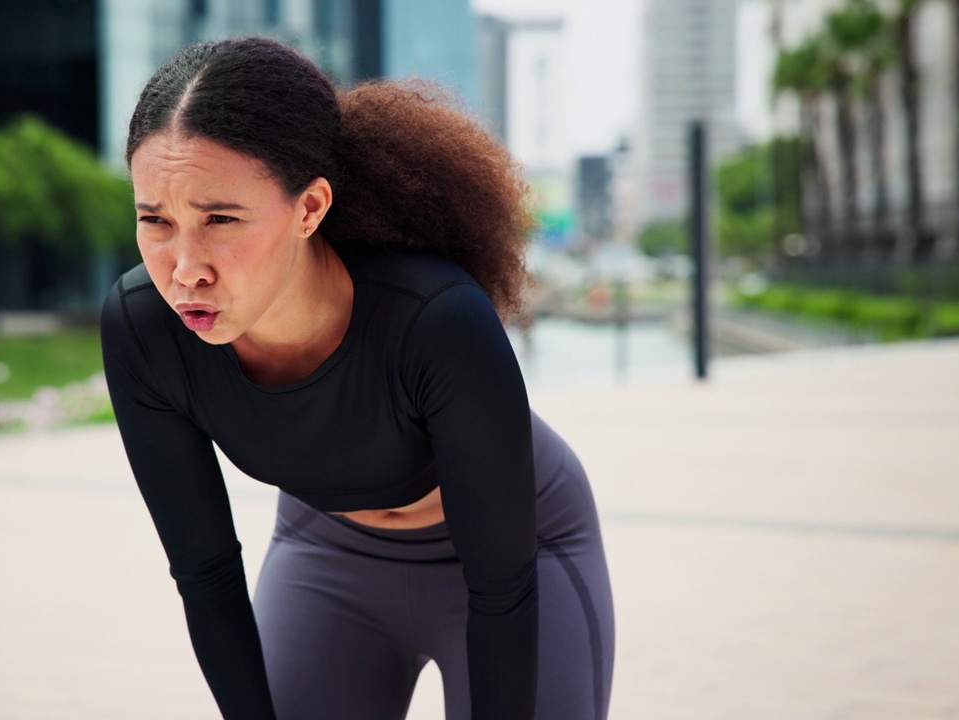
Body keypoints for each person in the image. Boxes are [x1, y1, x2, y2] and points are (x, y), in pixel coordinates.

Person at [100, 37, 614, 720]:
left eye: (220, 219)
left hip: (518, 559)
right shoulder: (144, 330)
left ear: (309, 209)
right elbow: (206, 572)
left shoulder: (435, 319)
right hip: (327, 555)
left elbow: (502, 590)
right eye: (155, 221)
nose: (184, 266)